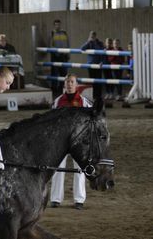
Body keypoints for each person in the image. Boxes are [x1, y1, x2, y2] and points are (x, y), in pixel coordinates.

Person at [50, 73, 92, 210]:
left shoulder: (84, 102)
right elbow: (51, 122)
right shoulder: (57, 102)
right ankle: (55, 199)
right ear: (64, 84)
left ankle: (79, 200)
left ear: (76, 84)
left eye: (72, 82)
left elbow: (90, 121)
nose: (69, 84)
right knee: (57, 170)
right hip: (60, 141)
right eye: (67, 82)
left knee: (79, 170)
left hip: (77, 141)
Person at [81, 31, 106, 101]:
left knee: (98, 80)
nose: (92, 37)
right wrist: (88, 42)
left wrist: (102, 62)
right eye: (91, 36)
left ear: (95, 36)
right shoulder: (88, 43)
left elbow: (103, 53)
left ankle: (99, 96)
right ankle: (94, 95)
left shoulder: (100, 43)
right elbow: (82, 48)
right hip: (90, 65)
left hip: (98, 64)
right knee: (92, 80)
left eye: (93, 35)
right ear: (89, 36)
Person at [49, 19, 70, 95]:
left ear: (60, 25)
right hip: (55, 56)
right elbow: (50, 45)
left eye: (59, 24)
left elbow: (68, 43)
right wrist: (56, 52)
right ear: (54, 25)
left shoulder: (64, 33)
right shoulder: (52, 33)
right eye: (56, 24)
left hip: (64, 55)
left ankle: (62, 89)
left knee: (64, 73)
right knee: (54, 73)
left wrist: (68, 53)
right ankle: (54, 90)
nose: (58, 26)